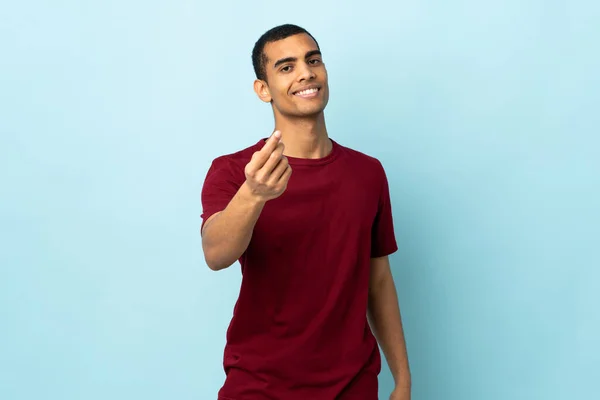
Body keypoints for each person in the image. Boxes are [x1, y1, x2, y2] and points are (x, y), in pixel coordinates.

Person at [200, 24, 411, 400]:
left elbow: (378, 281)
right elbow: (216, 254)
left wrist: (402, 381)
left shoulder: (368, 173)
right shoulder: (234, 172)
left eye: (313, 60)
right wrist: (254, 194)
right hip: (260, 385)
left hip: (354, 386)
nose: (305, 73)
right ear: (263, 89)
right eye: (286, 67)